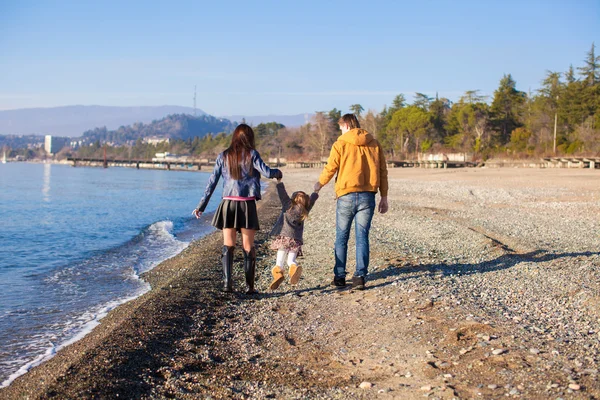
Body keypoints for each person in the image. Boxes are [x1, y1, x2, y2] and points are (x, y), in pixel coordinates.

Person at [193, 124, 282, 294]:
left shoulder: (223, 156)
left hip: (228, 204)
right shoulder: (252, 154)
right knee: (248, 246)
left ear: (234, 137)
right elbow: (268, 173)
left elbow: (212, 182)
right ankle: (249, 287)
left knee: (228, 245)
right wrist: (278, 173)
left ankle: (228, 284)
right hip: (247, 205)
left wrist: (201, 206)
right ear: (249, 138)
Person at [313, 113, 388, 290]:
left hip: (346, 195)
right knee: (362, 237)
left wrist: (319, 184)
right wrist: (384, 196)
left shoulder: (340, 143)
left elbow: (330, 167)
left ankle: (339, 277)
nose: (340, 131)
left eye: (340, 127)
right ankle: (360, 277)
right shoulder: (374, 144)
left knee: (341, 237)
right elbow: (382, 171)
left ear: (346, 125)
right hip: (367, 195)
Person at [268, 179, 319, 290]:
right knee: (291, 261)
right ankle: (293, 269)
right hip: (296, 240)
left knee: (279, 262)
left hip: (284, 238)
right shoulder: (305, 209)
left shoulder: (288, 205)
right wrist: (316, 191)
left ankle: (278, 274)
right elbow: (312, 200)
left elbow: (283, 194)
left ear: (293, 199)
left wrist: (279, 182)